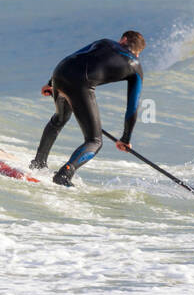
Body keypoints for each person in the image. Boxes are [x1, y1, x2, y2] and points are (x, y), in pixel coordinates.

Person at [30, 30, 145, 186]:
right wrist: (125, 138)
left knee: (60, 118)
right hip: (80, 85)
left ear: (123, 40)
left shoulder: (105, 42)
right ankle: (64, 174)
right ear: (138, 53)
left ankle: (38, 163)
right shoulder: (136, 67)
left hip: (61, 71)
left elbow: (75, 55)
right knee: (95, 141)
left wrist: (51, 83)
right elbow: (132, 107)